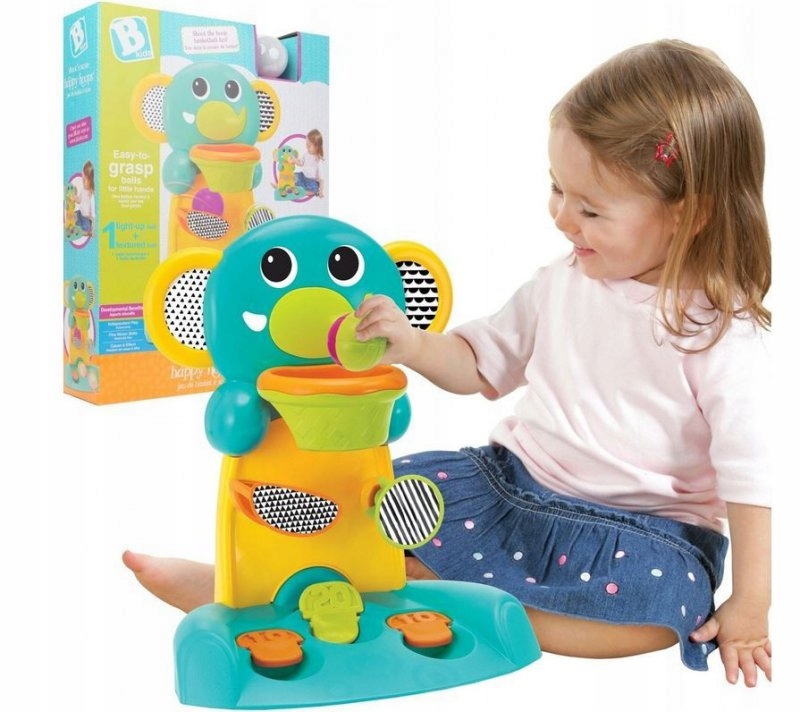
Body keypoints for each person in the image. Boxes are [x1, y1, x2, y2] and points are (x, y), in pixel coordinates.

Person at [123, 39, 771, 686]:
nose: (561, 218)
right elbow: (477, 364)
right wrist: (412, 345)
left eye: (591, 209)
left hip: (642, 535)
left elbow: (751, 479)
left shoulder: (719, 332)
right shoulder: (561, 282)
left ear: (689, 215)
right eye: (556, 189)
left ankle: (449, 602)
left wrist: (751, 603)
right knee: (369, 496)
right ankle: (245, 588)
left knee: (667, 611)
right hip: (510, 489)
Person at [294, 129, 325, 197]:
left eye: (309, 145)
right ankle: (284, 185)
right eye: (306, 144)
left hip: (312, 181)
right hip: (303, 176)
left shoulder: (318, 161)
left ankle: (304, 191)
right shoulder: (306, 154)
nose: (307, 147)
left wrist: (321, 191)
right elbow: (301, 163)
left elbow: (321, 179)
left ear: (317, 146)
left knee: (313, 188)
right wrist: (294, 160)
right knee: (294, 175)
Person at [72, 160, 95, 236]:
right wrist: (74, 197)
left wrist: (93, 224)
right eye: (83, 179)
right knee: (75, 215)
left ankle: (87, 231)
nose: (83, 182)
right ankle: (79, 227)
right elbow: (79, 200)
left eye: (85, 180)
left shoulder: (91, 193)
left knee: (85, 227)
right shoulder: (83, 190)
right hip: (80, 213)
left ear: (90, 180)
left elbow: (93, 210)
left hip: (86, 218)